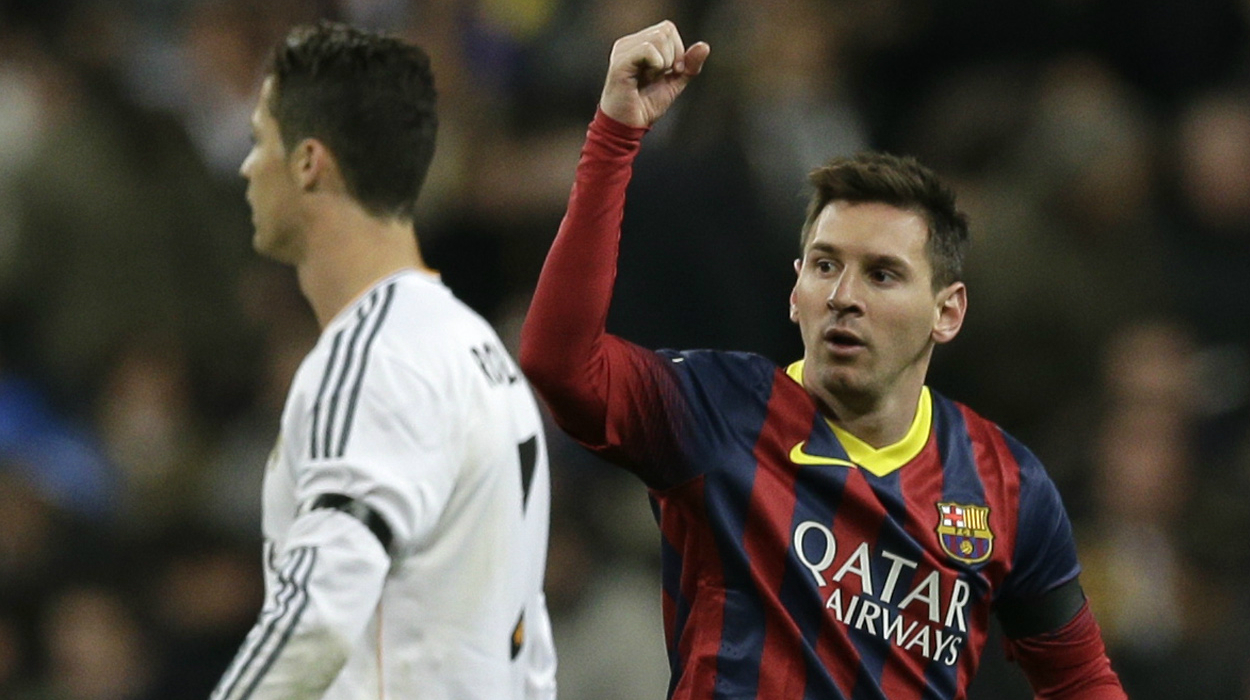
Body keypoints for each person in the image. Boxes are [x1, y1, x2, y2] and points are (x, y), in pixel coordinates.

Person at [520, 20, 1125, 699]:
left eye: (882, 275)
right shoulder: (717, 410)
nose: (843, 296)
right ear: (795, 292)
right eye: (826, 266)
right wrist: (614, 137)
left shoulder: (1006, 485)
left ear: (947, 312)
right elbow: (558, 364)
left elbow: (1080, 679)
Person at [211, 22, 555, 700]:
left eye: (259, 141)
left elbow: (316, 620)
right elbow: (529, 640)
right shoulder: (479, 352)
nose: (248, 167)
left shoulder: (374, 361)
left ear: (308, 162)